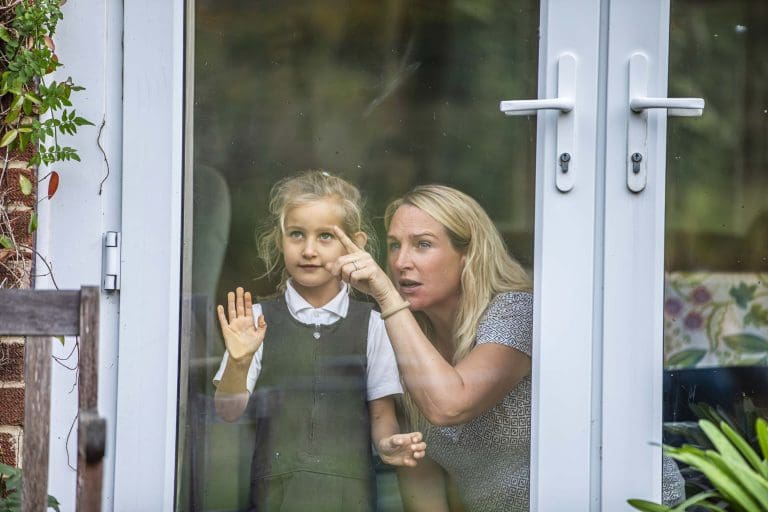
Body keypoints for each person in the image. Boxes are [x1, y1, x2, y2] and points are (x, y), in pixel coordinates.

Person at [212, 170, 426, 512]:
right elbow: (227, 411)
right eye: (297, 234)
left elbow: (380, 414)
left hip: (350, 497)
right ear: (279, 240)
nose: (309, 250)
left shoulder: (372, 324)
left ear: (353, 243)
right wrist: (238, 362)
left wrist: (387, 444)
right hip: (275, 497)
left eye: (325, 236)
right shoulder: (255, 320)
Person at [327, 184, 533, 512]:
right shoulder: (405, 342)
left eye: (423, 244)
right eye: (394, 246)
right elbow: (423, 491)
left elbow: (449, 404)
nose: (400, 262)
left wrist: (387, 296)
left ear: (468, 255)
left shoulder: (515, 311)